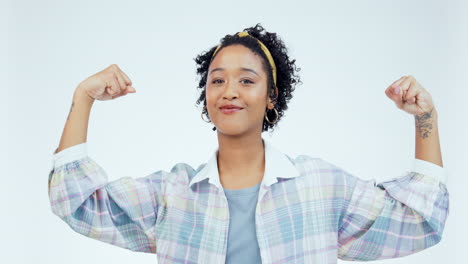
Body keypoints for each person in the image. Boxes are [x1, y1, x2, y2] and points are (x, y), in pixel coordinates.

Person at [48, 23, 449, 263]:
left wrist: (425, 119)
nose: (229, 91)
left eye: (247, 80)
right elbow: (77, 202)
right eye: (217, 80)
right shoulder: (171, 195)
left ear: (271, 96)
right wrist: (83, 97)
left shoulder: (321, 187)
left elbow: (419, 221)